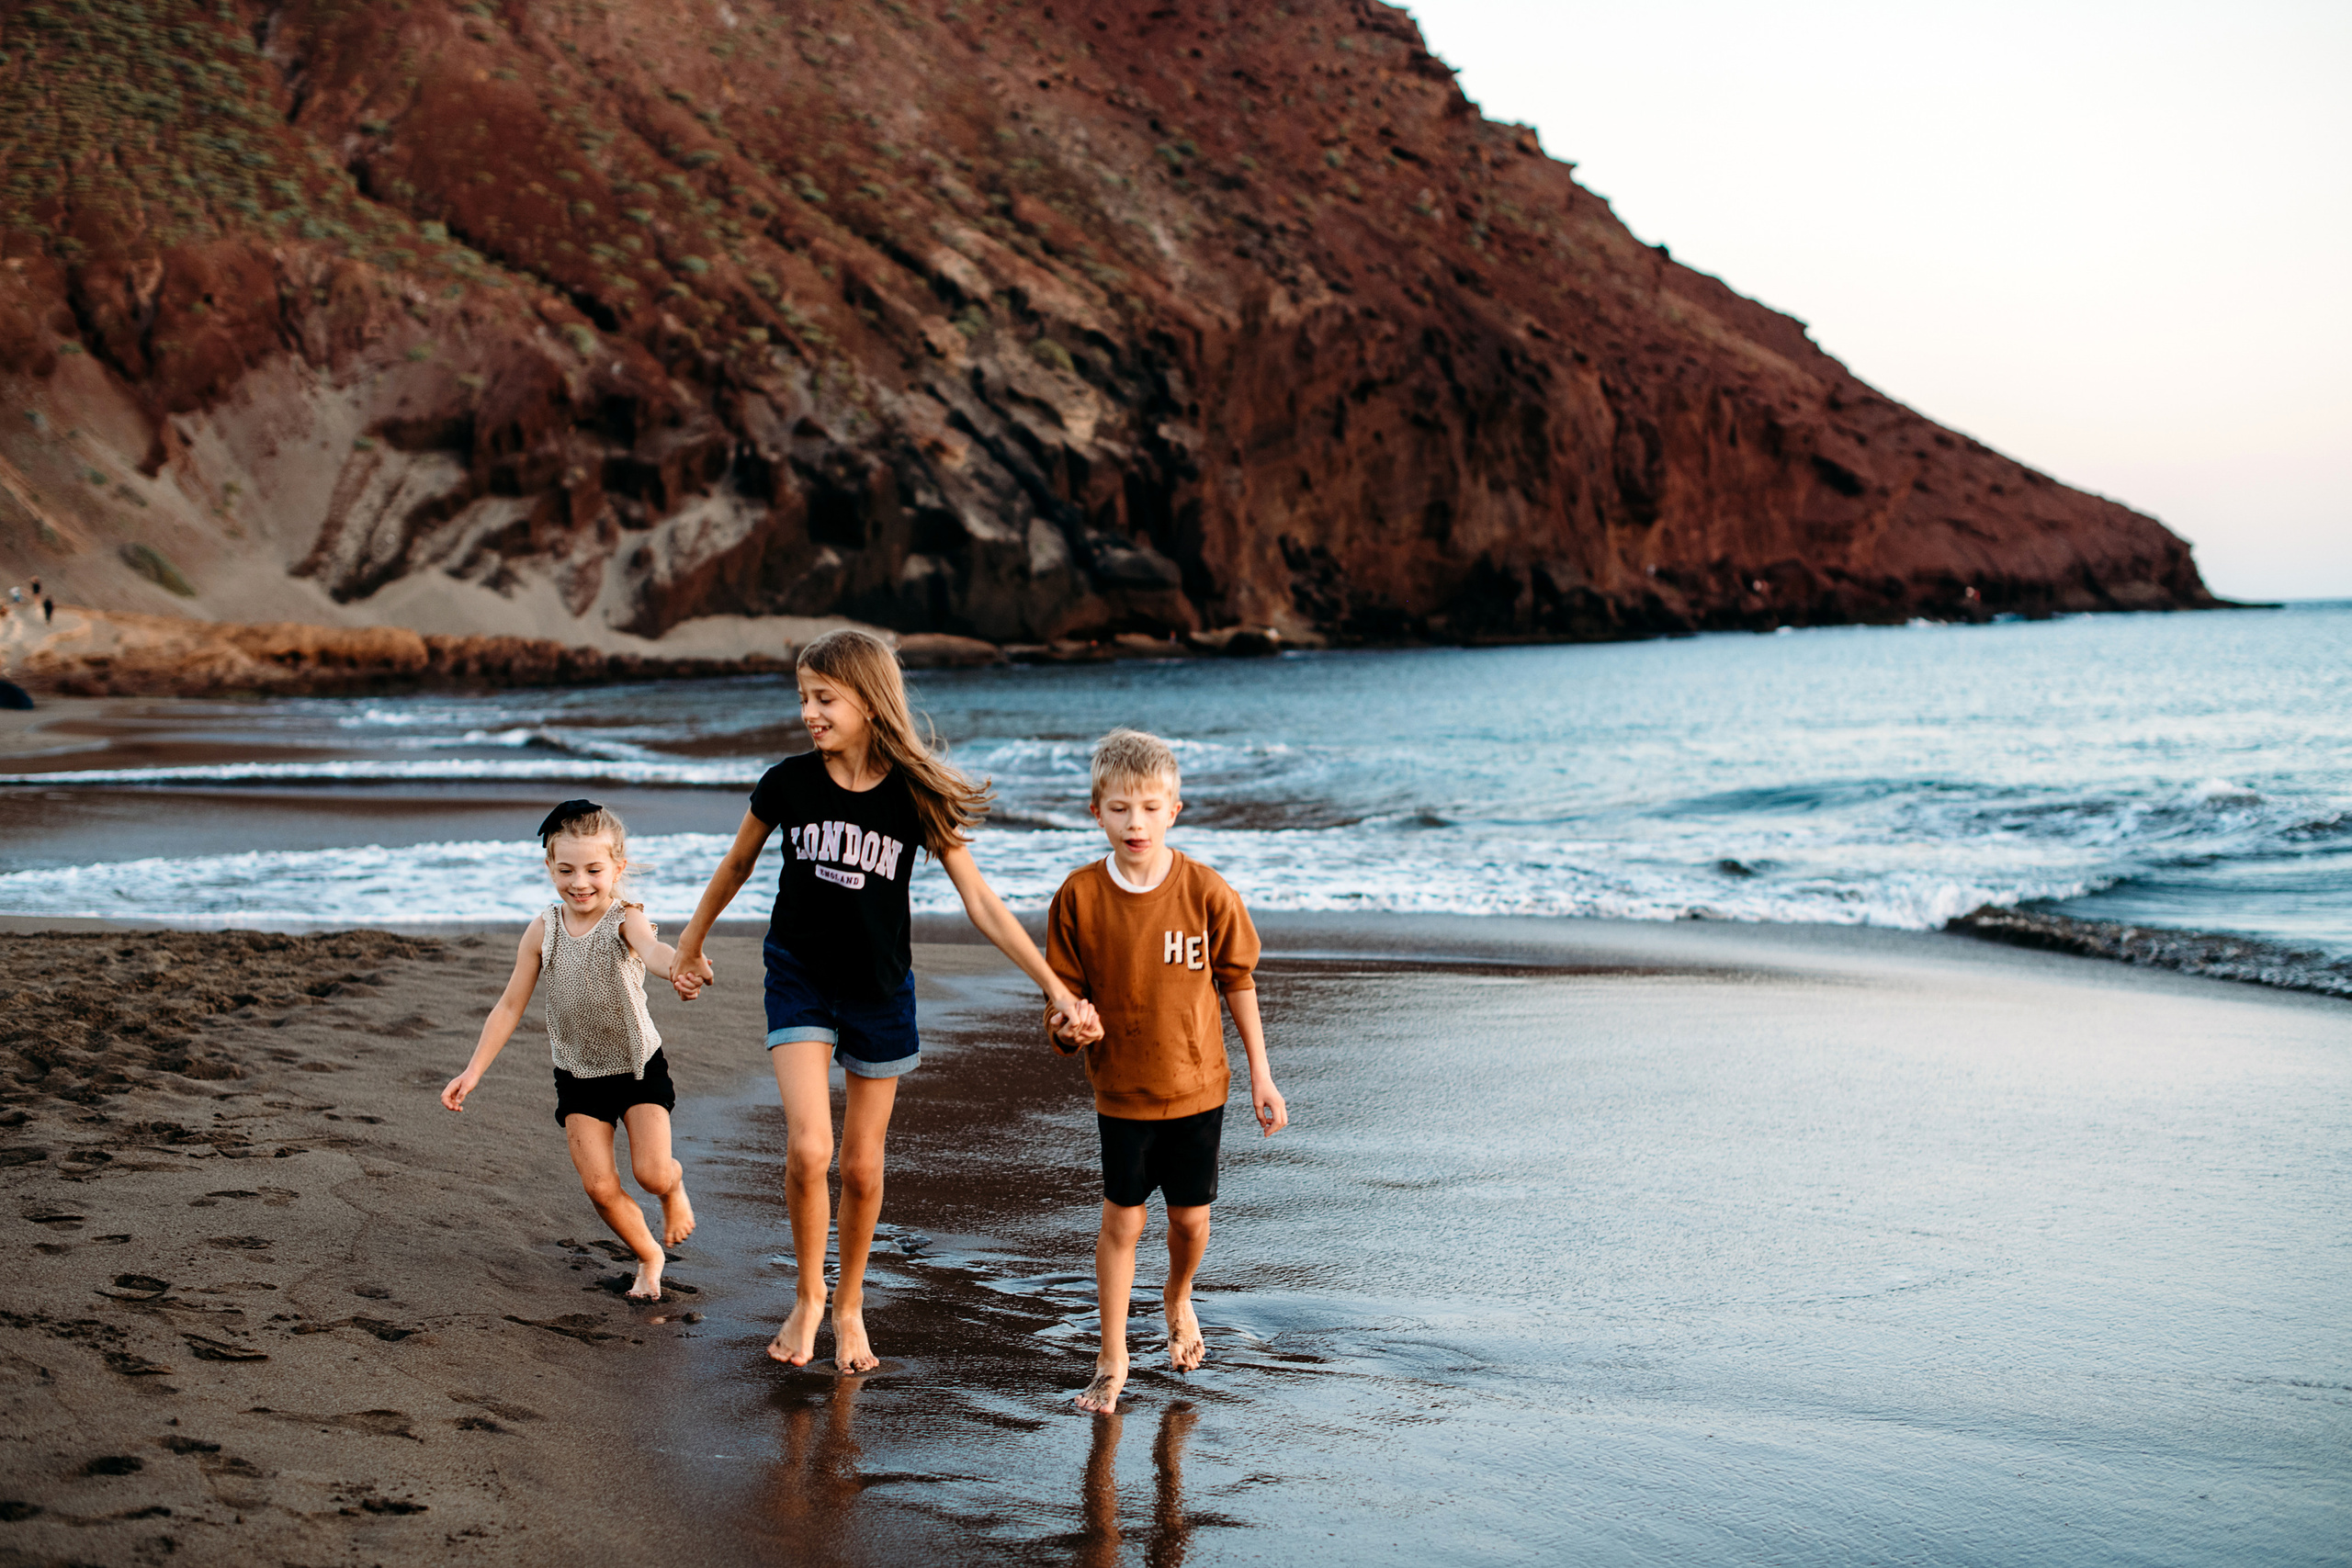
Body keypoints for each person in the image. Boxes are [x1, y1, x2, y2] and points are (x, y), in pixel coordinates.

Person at [667, 627, 1099, 1373]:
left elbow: (982, 903)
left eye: (824, 697)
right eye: (803, 696)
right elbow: (737, 862)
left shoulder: (913, 796)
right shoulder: (789, 783)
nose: (809, 711)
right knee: (811, 1146)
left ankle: (850, 1304)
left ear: (869, 701)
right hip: (798, 974)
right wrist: (689, 942)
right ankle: (808, 1294)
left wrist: (1056, 988)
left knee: (863, 1166)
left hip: (880, 992)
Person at [1044, 729, 1288, 1414]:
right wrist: (1070, 1026)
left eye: (1150, 807)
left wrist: (1261, 1076)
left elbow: (1238, 982)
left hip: (1198, 1088)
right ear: (1096, 811)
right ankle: (1112, 1356)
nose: (1136, 823)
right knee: (1121, 1221)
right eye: (1120, 808)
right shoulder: (1080, 898)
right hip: (1120, 1094)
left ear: (1174, 810)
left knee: (1189, 1221)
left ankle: (1178, 1295)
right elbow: (1060, 1002)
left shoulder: (1207, 892)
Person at [441, 800, 695, 1300]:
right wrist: (473, 1071)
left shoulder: (626, 918)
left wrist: (680, 968)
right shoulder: (544, 928)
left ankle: (674, 1185)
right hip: (577, 1075)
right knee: (599, 1188)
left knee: (651, 1173)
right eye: (566, 870)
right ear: (549, 868)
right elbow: (511, 1005)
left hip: (637, 1066)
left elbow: (654, 951)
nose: (580, 882)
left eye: (594, 870)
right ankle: (649, 1256)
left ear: (617, 868)